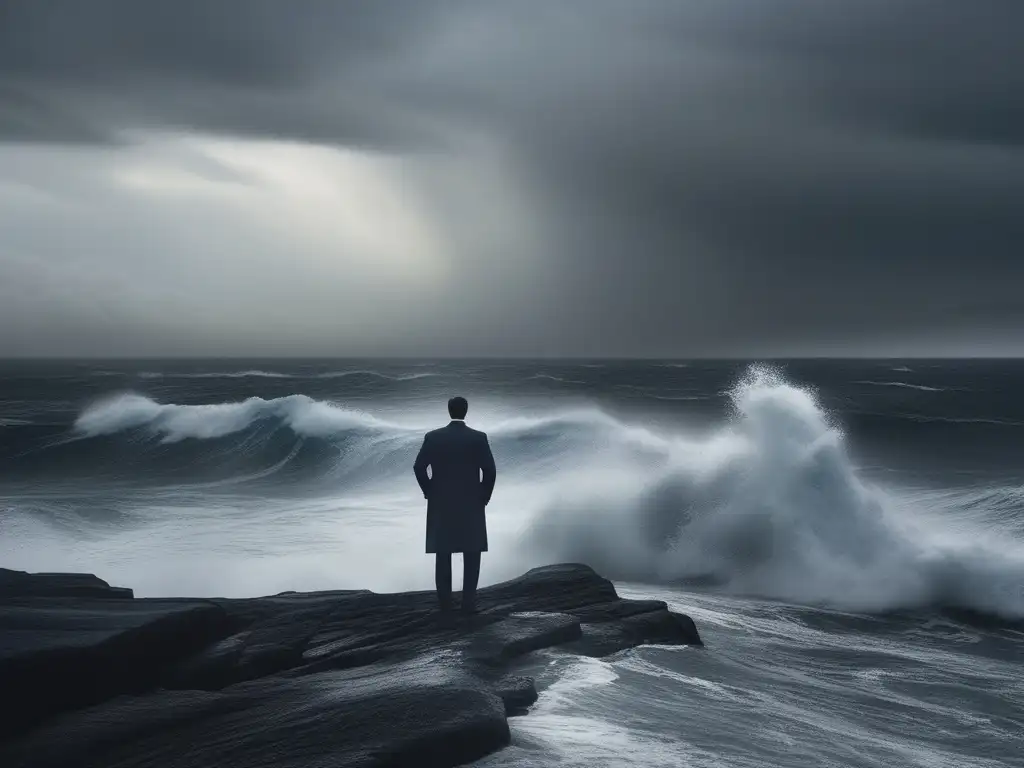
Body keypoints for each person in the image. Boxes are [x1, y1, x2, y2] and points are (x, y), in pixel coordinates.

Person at [413, 396, 496, 616]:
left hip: (441, 502)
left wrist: (429, 491)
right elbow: (490, 471)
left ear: (449, 411)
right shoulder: (478, 438)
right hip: (471, 502)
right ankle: (469, 603)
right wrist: (484, 496)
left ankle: (445, 605)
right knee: (472, 551)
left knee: (443, 552)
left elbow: (419, 467)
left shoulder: (433, 437)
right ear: (466, 411)